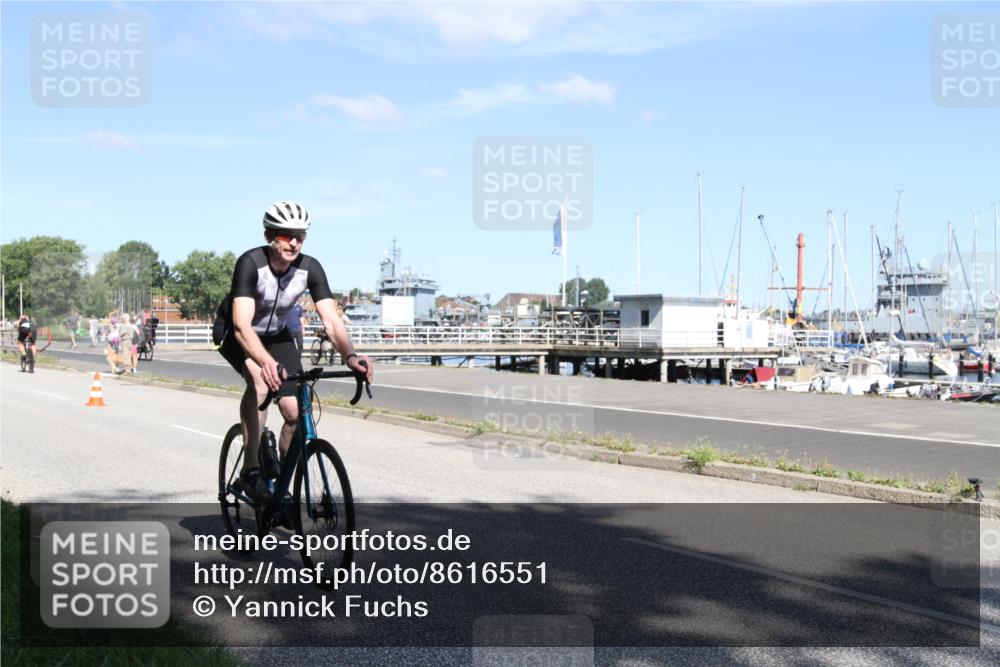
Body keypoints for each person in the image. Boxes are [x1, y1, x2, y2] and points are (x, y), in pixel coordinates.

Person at [213, 200, 373, 502]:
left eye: (301, 235)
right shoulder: (250, 263)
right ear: (269, 236)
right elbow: (242, 326)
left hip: (277, 334)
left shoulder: (310, 268)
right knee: (260, 381)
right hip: (235, 332)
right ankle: (251, 469)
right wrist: (265, 363)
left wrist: (351, 356)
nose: (295, 242)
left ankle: (282, 481)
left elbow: (331, 321)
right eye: (287, 235)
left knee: (296, 412)